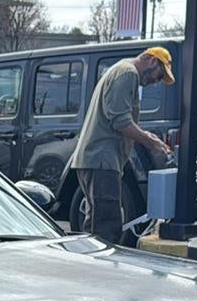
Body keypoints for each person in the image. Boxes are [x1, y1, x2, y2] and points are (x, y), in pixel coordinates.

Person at [69, 47, 175, 244]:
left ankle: (88, 267)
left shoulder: (121, 70)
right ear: (152, 61)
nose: (156, 81)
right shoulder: (128, 74)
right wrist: (151, 143)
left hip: (95, 160)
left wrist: (146, 135)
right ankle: (104, 271)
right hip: (103, 161)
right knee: (108, 226)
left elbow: (119, 119)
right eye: (160, 75)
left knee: (95, 226)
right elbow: (121, 122)